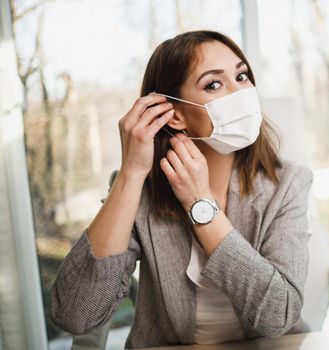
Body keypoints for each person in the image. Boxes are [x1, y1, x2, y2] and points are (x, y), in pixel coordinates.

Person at [51, 30, 313, 348]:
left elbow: (278, 316)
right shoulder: (139, 190)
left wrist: (200, 204)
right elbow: (75, 315)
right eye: (214, 84)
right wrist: (131, 175)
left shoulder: (288, 183)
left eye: (242, 76)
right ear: (175, 115)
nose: (241, 93)